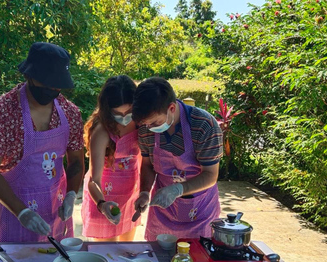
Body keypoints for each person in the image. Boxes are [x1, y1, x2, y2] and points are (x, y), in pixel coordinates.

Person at [0, 42, 84, 242]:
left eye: (57, 85)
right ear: (28, 75)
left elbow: (77, 161)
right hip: (15, 210)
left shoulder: (70, 113)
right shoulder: (0, 113)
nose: (52, 89)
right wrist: (22, 212)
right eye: (47, 83)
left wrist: (71, 195)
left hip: (58, 209)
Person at [132, 77, 223, 241]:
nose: (150, 128)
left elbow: (210, 175)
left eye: (154, 122)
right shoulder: (146, 129)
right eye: (146, 124)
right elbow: (147, 165)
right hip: (163, 211)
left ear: (171, 108)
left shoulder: (204, 125)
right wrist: (144, 192)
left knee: (197, 259)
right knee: (157, 259)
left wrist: (177, 190)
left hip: (200, 208)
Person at [81, 75, 142, 241]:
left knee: (126, 253)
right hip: (103, 197)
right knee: (106, 255)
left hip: (130, 197)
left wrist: (144, 192)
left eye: (129, 112)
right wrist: (102, 204)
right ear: (107, 110)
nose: (124, 118)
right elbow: (94, 179)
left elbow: (146, 161)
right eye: (117, 114)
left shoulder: (141, 123)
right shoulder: (101, 130)